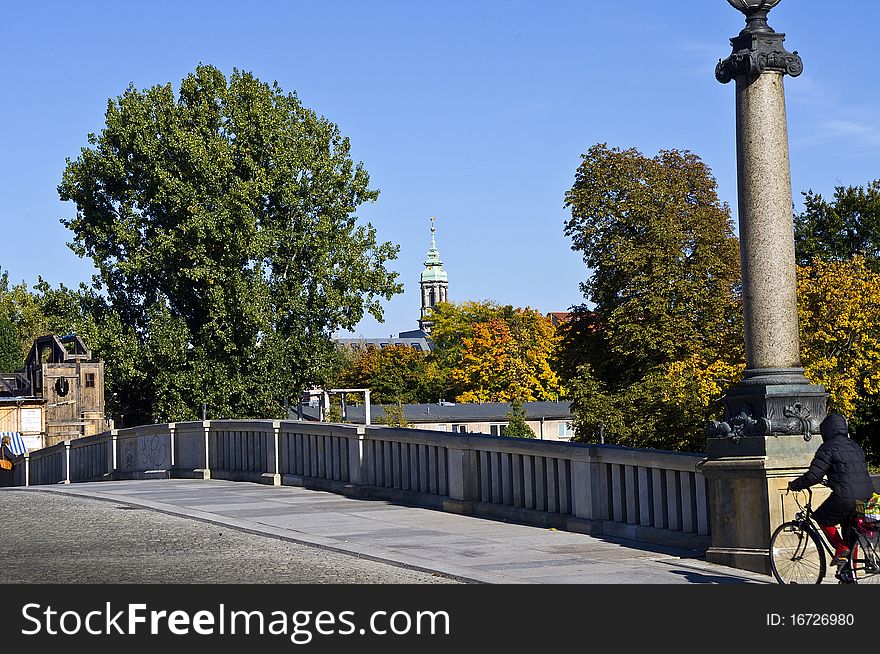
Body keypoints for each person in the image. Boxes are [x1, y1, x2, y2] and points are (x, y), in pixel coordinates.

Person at [787, 413, 875, 565]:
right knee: (850, 534)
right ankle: (850, 574)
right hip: (867, 496)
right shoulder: (854, 445)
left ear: (826, 431)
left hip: (846, 497)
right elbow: (852, 472)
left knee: (822, 518)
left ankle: (840, 548)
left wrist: (795, 485)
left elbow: (814, 476)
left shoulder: (827, 448)